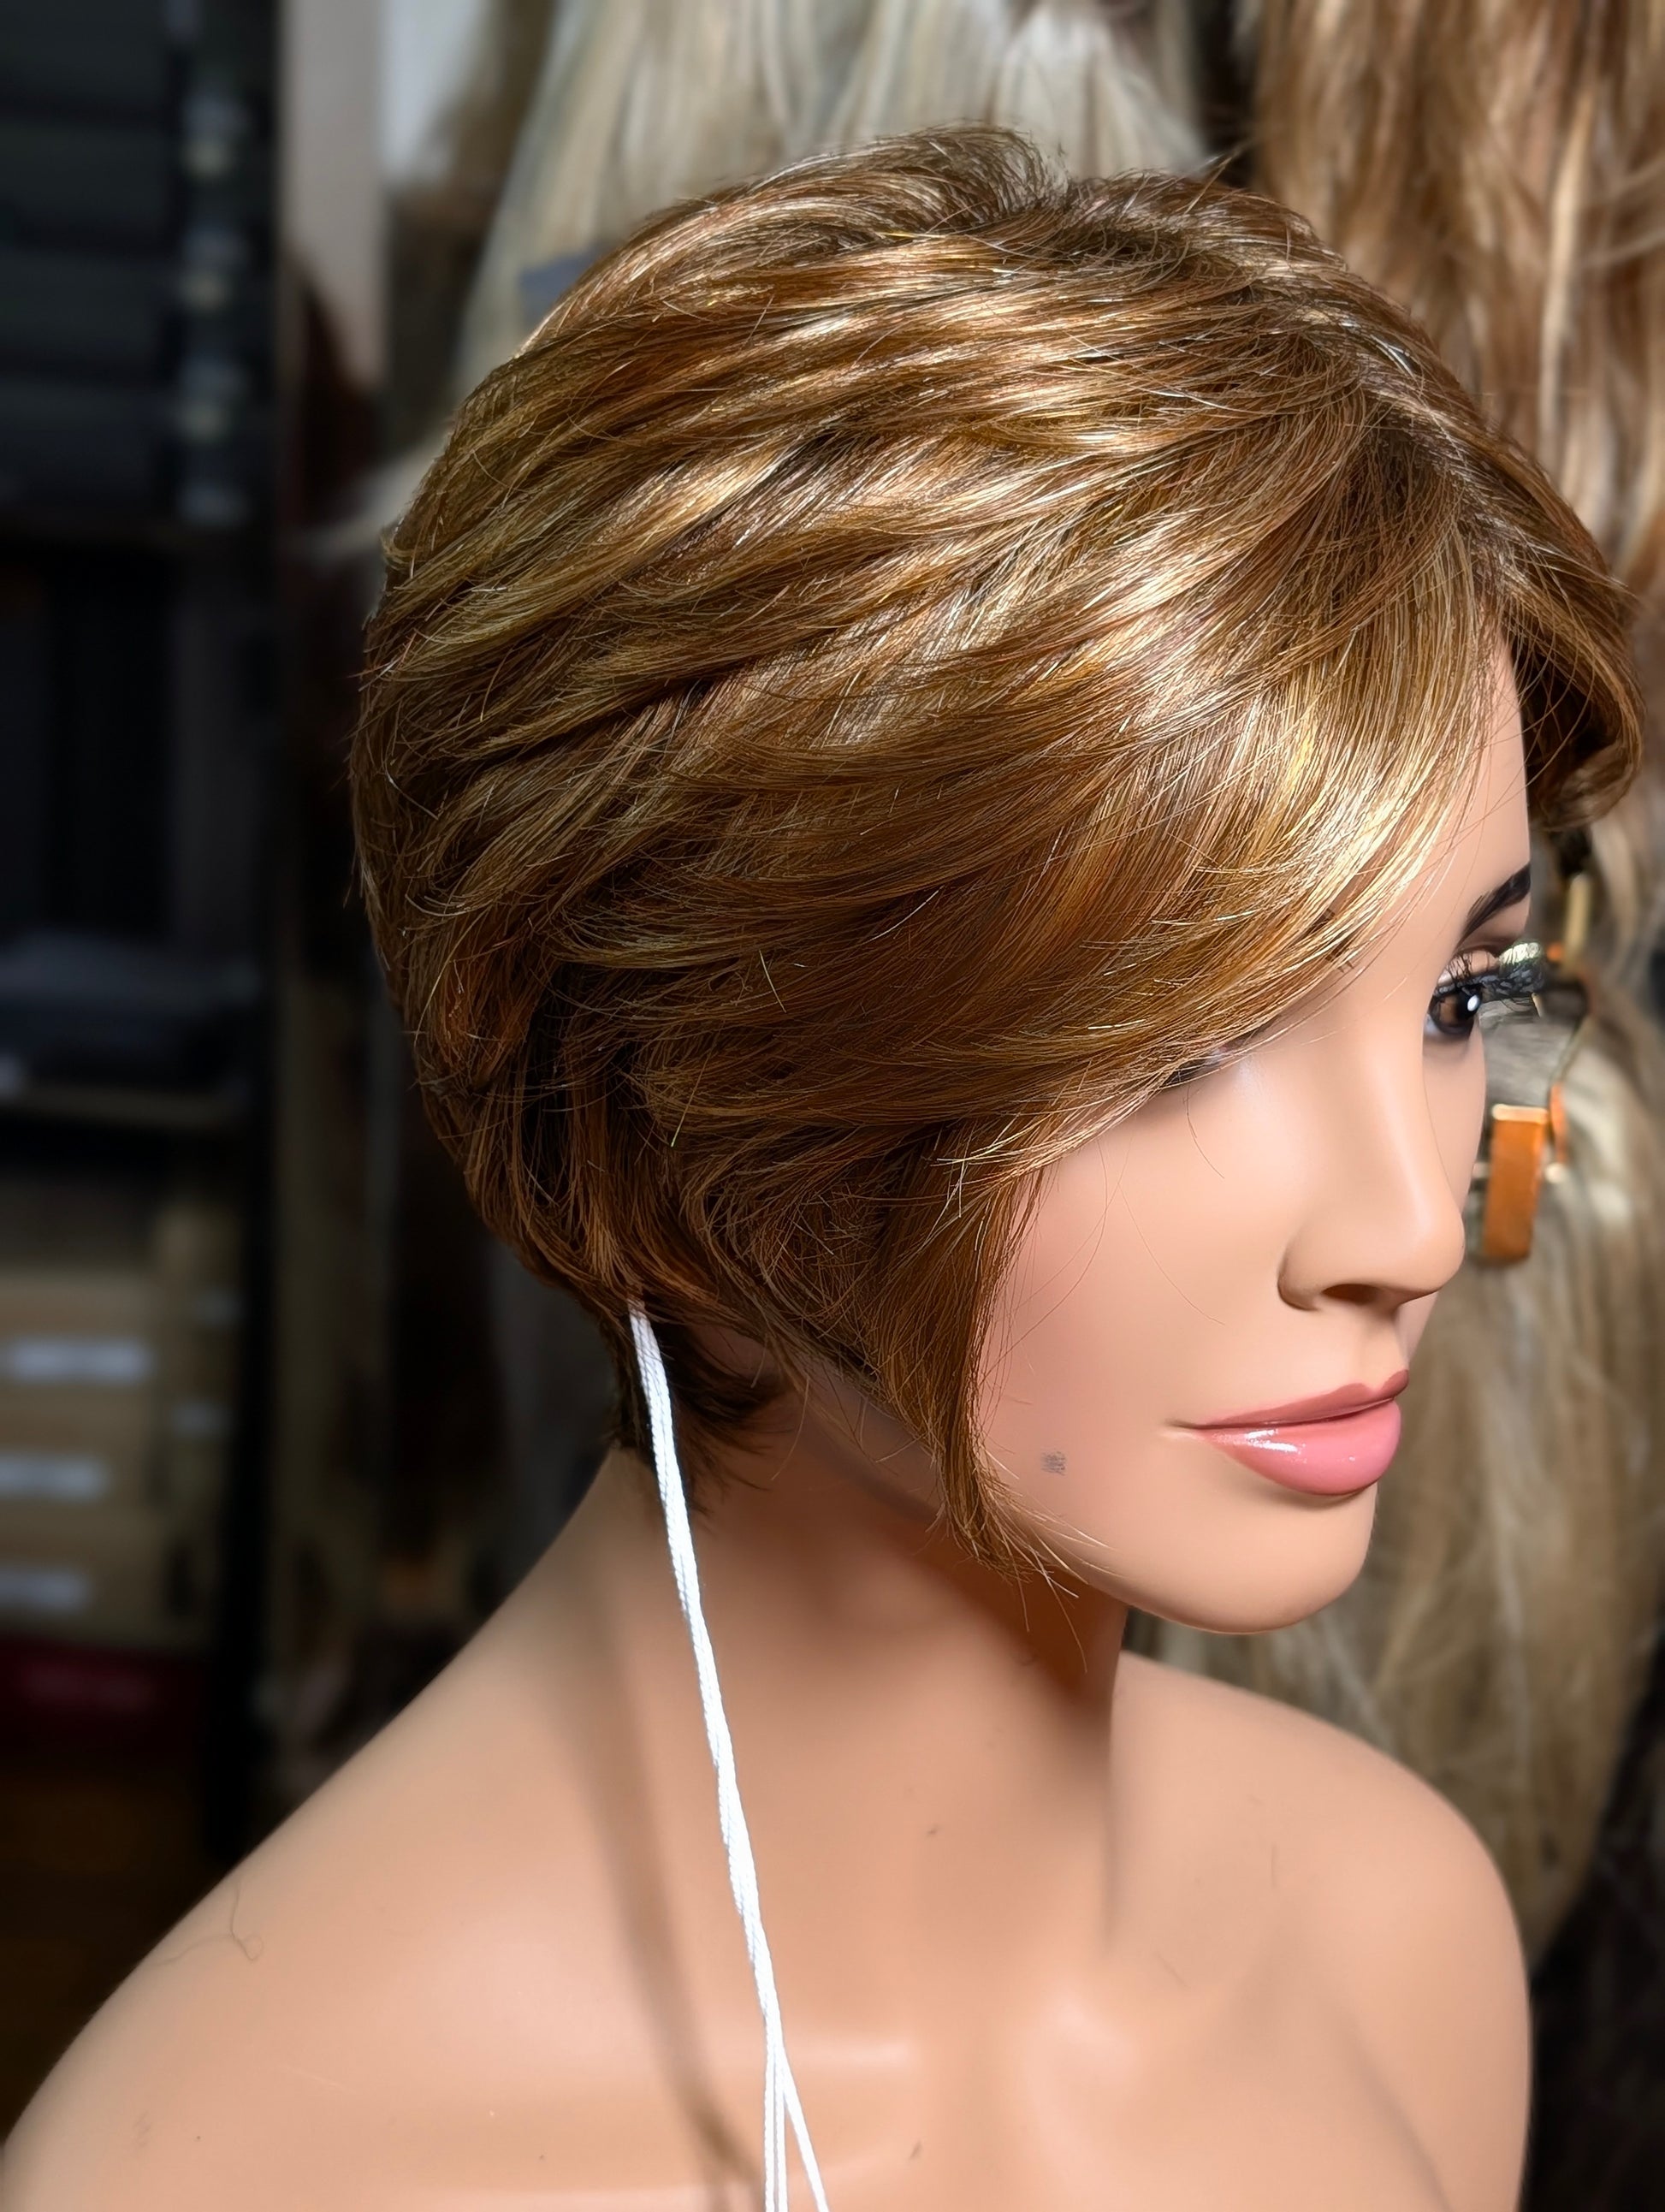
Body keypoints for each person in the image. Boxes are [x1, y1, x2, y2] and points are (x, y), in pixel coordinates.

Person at [3, 130, 1638, 2211]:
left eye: (1456, 993)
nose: (1410, 1226)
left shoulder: (1394, 1945)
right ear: (672, 1073)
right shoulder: (236, 2172)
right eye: (1187, 1043)